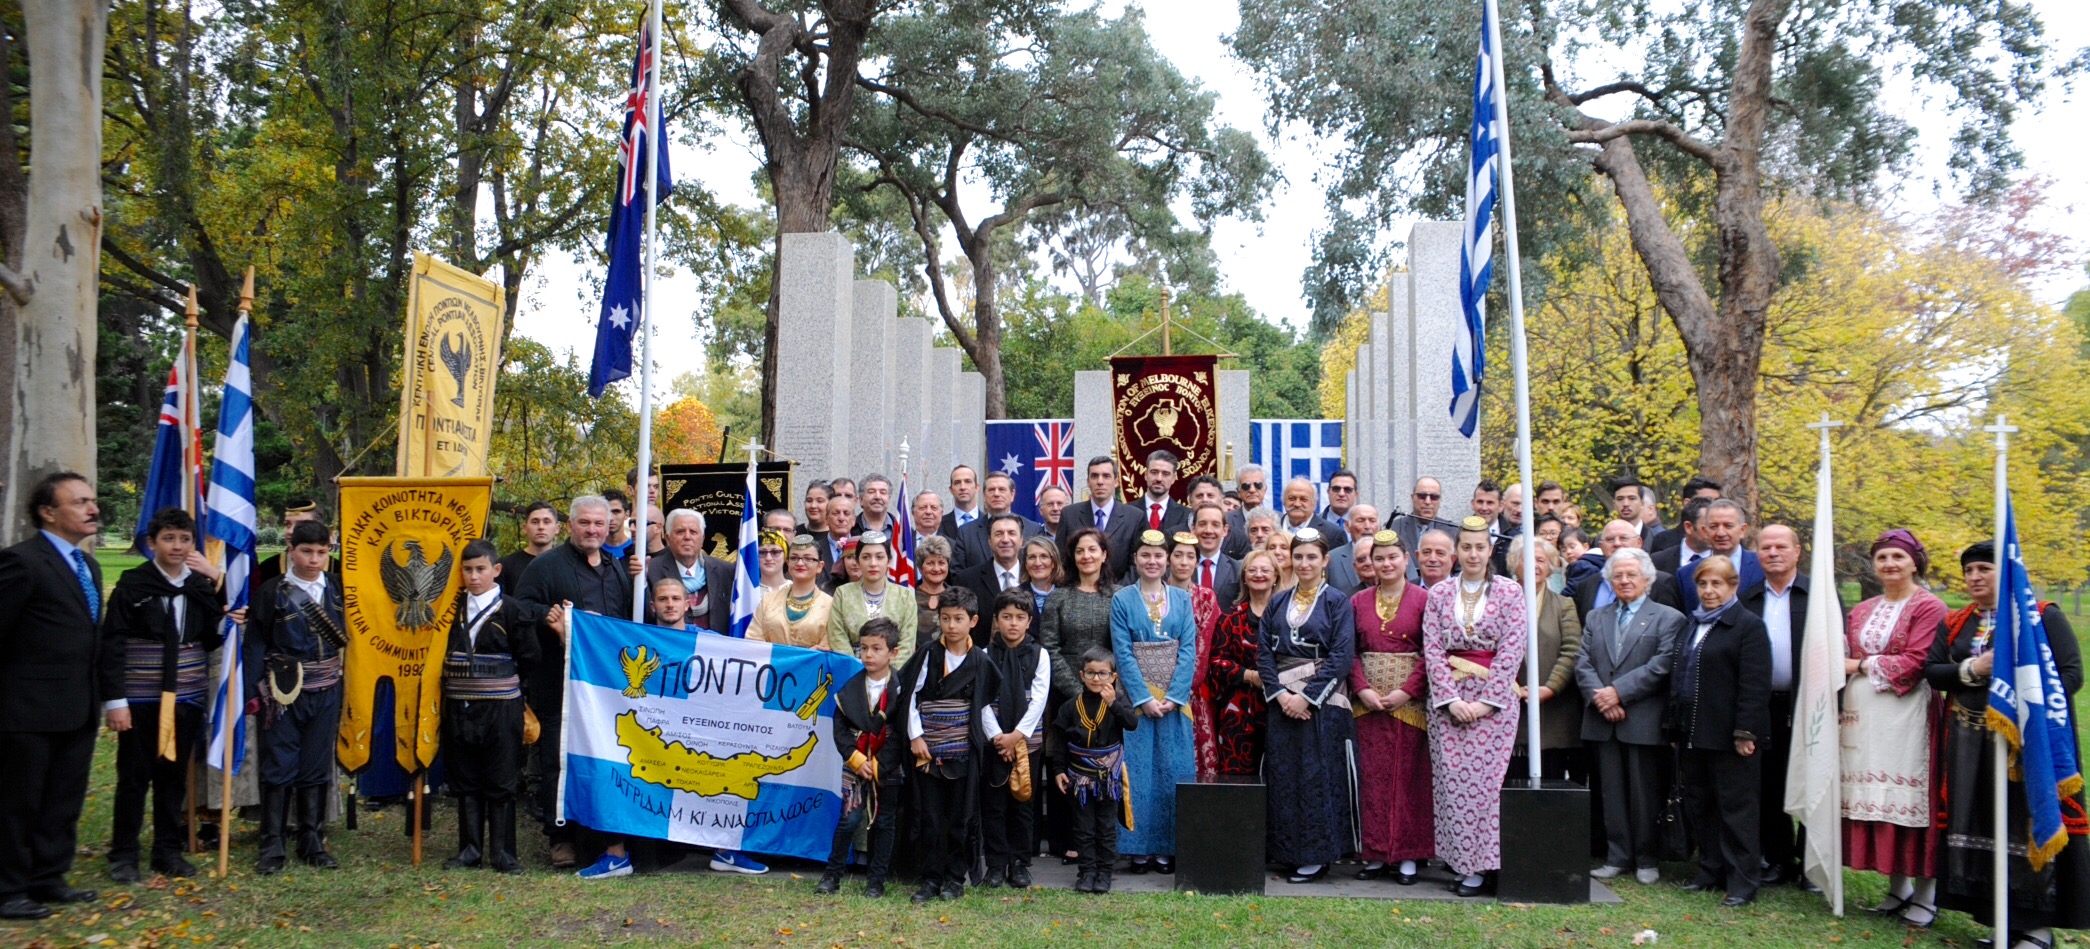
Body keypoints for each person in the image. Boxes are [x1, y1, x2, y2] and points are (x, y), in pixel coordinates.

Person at [1925, 541, 2089, 948]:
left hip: (2028, 744)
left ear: (2008, 572)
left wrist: (2021, 705)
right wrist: (1973, 669)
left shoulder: (2042, 616)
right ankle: (2002, 920)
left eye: (1985, 568)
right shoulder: (1956, 622)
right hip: (1970, 745)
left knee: (2026, 823)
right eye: (1969, 571)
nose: (1975, 577)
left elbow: (2070, 675)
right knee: (1984, 822)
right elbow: (1934, 671)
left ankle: (2036, 929)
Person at [0, 473, 111, 919]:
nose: (93, 509)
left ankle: (49, 878)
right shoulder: (21, 563)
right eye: (80, 502)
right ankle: (8, 889)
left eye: (93, 500)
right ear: (48, 512)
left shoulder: (89, 566)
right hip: (25, 711)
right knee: (17, 803)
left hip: (78, 706)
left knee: (63, 800)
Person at [99, 507, 229, 883]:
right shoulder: (133, 586)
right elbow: (112, 644)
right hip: (141, 698)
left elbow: (210, 637)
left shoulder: (199, 587)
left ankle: (167, 851)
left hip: (186, 697)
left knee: (173, 777)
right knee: (134, 777)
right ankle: (123, 854)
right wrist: (116, 701)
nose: (177, 546)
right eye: (168, 538)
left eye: (184, 539)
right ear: (152, 542)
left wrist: (223, 604)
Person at [513, 495, 631, 869]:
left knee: (602, 758)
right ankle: (559, 837)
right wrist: (548, 616)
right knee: (557, 760)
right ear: (570, 526)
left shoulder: (615, 568)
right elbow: (519, 607)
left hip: (606, 689)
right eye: (585, 523)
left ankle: (599, 833)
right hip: (558, 683)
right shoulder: (547, 567)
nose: (594, 530)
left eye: (600, 523)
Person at [1841, 529, 1948, 927]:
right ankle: (1897, 888)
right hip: (1864, 716)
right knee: (1877, 800)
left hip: (1907, 713)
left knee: (1909, 802)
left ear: (1915, 562)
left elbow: (1917, 661)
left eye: (1898, 558)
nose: (1889, 564)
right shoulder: (1864, 608)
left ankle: (1925, 895)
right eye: (1882, 557)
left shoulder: (1929, 606)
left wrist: (1861, 666)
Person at [1421, 516, 1528, 897]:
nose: (1472, 554)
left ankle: (1491, 864)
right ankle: (1465, 865)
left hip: (1494, 705)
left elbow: (1513, 648)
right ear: (1456, 552)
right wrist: (1450, 699)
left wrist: (1487, 702)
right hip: (1449, 704)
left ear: (1489, 550)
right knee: (1452, 786)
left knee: (1487, 787)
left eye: (1479, 547)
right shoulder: (1438, 594)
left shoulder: (1510, 592)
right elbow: (1432, 650)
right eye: (1465, 547)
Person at [1258, 526, 1359, 885]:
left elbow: (1342, 656)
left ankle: (1316, 855)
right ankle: (1287, 851)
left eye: (1311, 556)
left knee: (1317, 777)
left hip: (1323, 704)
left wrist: (1307, 697)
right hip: (1283, 703)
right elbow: (1264, 655)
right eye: (1298, 556)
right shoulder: (1277, 601)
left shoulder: (1337, 602)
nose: (1304, 563)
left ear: (1325, 561)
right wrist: (1283, 696)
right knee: (1285, 777)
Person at [1668, 554, 1772, 907]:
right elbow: (1679, 678)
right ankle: (1710, 871)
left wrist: (1746, 732)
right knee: (1702, 805)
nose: (1709, 591)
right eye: (1703, 583)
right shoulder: (1692, 624)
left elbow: (1755, 685)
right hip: (1694, 733)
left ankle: (1742, 882)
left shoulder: (1748, 626)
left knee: (1736, 811)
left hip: (1730, 737)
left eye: (1717, 584)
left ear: (1733, 586)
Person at [1575, 546, 1683, 885]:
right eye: (1617, 575)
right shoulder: (1596, 617)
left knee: (1644, 793)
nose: (1624, 580)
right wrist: (1602, 699)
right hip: (1602, 719)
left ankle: (1647, 859)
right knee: (1610, 792)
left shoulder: (1669, 618)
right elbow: (1582, 663)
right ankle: (1617, 856)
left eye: (1631, 574)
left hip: (1643, 720)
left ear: (1647, 579)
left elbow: (1662, 664)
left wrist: (1618, 692)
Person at [246, 518, 347, 875]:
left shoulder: (338, 588)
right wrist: (251, 691)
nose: (314, 559)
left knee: (316, 766)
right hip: (282, 691)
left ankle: (312, 840)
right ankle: (272, 844)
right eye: (307, 551)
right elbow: (255, 642)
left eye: (322, 551)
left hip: (327, 688)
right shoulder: (272, 592)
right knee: (279, 765)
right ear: (291, 550)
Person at [439, 540, 543, 875]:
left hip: (501, 708)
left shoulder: (512, 610)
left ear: (496, 570)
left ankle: (503, 853)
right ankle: (469, 850)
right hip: (459, 707)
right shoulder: (449, 610)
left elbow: (530, 658)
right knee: (466, 778)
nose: (473, 576)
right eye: (467, 570)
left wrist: (508, 688)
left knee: (501, 779)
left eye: (480, 569)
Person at [1737, 523, 1825, 891]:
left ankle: (1812, 863)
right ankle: (1778, 858)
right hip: (1764, 707)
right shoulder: (1748, 597)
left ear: (1797, 551)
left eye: (1780, 547)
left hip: (1808, 705)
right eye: (1766, 547)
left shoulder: (1817, 594)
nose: (1773, 553)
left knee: (1812, 781)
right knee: (1769, 785)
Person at [1110, 529, 1198, 875]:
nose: (1152, 561)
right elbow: (1122, 651)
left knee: (1173, 771)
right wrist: (1144, 698)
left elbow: (1188, 649)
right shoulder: (1122, 600)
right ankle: (1138, 847)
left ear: (1168, 560)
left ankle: (1168, 847)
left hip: (1175, 702)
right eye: (1145, 555)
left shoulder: (1181, 598)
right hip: (1137, 701)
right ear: (1136, 559)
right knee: (1139, 772)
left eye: (1159, 556)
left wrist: (1174, 697)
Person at [1348, 531, 1432, 884]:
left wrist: (1406, 690)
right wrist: (1362, 688)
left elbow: (1433, 653)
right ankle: (1375, 853)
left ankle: (1408, 855)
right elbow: (1348, 651)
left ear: (1406, 559)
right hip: (1367, 705)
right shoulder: (1357, 602)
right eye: (1378, 558)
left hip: (1409, 704)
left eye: (1392, 557)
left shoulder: (1425, 599)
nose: (1385, 564)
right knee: (1373, 780)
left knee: (1408, 778)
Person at [907, 586, 999, 902]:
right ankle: (930, 879)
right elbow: (909, 699)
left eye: (958, 619)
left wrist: (997, 737)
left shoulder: (981, 660)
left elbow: (984, 706)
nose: (951, 626)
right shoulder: (927, 654)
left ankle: (955, 879)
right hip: (928, 751)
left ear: (973, 621)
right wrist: (915, 736)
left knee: (962, 817)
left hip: (964, 750)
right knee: (930, 817)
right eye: (945, 618)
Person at [819, 618, 907, 898]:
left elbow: (904, 729)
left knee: (885, 822)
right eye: (864, 648)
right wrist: (856, 758)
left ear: (893, 653)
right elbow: (840, 728)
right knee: (848, 820)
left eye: (876, 649)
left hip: (888, 765)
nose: (868, 655)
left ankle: (876, 880)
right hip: (856, 763)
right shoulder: (849, 689)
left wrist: (881, 763)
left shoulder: (901, 689)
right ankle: (832, 876)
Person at [981, 589, 1051, 889]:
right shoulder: (984, 654)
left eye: (1020, 617)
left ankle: (1020, 863)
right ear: (996, 621)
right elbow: (980, 700)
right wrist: (998, 737)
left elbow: (1039, 699)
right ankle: (996, 864)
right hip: (994, 739)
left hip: (1026, 741)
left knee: (1023, 802)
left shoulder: (1040, 654)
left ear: (1029, 621)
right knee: (994, 803)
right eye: (1006, 617)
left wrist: (1016, 737)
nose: (1013, 623)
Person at [1054, 647, 1139, 894]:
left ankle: (1104, 873)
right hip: (1079, 777)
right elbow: (1060, 740)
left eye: (1103, 674)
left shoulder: (1118, 702)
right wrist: (1059, 770)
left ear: (1113, 677)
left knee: (1105, 826)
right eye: (1090, 673)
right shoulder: (1071, 706)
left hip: (1108, 779)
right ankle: (1086, 872)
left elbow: (1132, 724)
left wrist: (1113, 703)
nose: (1096, 679)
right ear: (1081, 675)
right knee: (1083, 827)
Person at [1509, 536, 1584, 783]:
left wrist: (1550, 688)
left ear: (1550, 566)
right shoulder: (1500, 604)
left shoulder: (1564, 605)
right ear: (1514, 564)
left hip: (1554, 713)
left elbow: (1572, 650)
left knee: (1551, 787)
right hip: (1512, 710)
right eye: (1527, 559)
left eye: (1540, 560)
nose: (1534, 566)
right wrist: (1512, 688)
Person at [1202, 548, 1275, 777]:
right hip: (1237, 713)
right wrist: (1251, 677)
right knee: (1237, 780)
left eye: (1265, 570)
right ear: (1244, 577)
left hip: (1279, 709)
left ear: (1276, 576)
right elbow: (1216, 661)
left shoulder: (1287, 617)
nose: (1258, 574)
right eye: (1252, 570)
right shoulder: (1230, 618)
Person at [1165, 531, 1224, 775]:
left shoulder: (1206, 597)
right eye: (1178, 555)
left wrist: (1183, 687)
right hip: (1158, 685)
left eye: (1190, 556)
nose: (1184, 562)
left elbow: (1203, 647)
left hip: (1194, 689)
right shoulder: (1156, 595)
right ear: (1168, 559)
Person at [828, 531, 919, 668]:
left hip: (892, 677)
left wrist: (887, 675)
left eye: (879, 557)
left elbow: (907, 643)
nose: (873, 563)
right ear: (858, 561)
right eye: (866, 557)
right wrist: (856, 671)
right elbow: (837, 638)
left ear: (888, 561)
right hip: (852, 674)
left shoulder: (904, 596)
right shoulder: (843, 593)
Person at [1573, 519, 1684, 625]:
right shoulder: (1586, 586)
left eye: (1623, 538)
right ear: (1601, 547)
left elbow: (1669, 626)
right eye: (1610, 539)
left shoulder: (1661, 583)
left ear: (1639, 542)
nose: (1617, 543)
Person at [644, 509, 734, 632]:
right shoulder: (651, 570)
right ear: (668, 538)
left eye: (693, 532)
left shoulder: (725, 570)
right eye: (680, 532)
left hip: (715, 647)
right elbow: (645, 615)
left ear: (702, 539)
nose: (687, 537)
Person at [1062, 456, 1140, 581]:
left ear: (1116, 482)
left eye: (1106, 476)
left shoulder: (1134, 517)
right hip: (1077, 592)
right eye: (1094, 476)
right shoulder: (1069, 514)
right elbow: (1062, 559)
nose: (1100, 481)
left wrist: (1118, 592)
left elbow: (1136, 564)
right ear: (1088, 481)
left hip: (1119, 593)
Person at [1673, 499, 1761, 610]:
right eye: (1714, 526)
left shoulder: (1762, 567)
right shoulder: (1686, 574)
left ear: (1742, 530)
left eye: (1728, 526)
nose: (1720, 533)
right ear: (1705, 531)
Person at [751, 534, 834, 649]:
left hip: (812, 666)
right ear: (788, 563)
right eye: (794, 558)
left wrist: (806, 658)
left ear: (820, 566)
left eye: (808, 559)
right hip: (770, 665)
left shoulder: (830, 605)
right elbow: (753, 639)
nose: (800, 563)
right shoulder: (768, 600)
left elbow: (829, 645)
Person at [958, 514, 1029, 646]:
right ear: (989, 541)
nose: (1005, 539)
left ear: (1021, 540)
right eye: (999, 534)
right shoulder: (967, 579)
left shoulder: (1033, 576)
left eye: (1011, 533)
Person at [253, 499, 333, 587]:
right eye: (288, 524)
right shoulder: (268, 568)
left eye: (301, 525)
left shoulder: (337, 568)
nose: (290, 531)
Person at [498, 502, 562, 596]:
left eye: (546, 522)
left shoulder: (567, 565)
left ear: (557, 528)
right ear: (525, 528)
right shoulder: (506, 566)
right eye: (535, 522)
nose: (541, 527)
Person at [1649, 477, 1721, 554]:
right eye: (1706, 501)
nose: (1714, 507)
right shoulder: (1663, 541)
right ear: (1687, 503)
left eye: (1717, 502)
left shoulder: (1724, 539)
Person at [1187, 504, 1240, 607]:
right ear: (1193, 529)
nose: (1208, 530)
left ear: (1224, 530)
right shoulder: (1178, 567)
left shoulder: (1237, 570)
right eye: (1202, 524)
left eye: (1215, 525)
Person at [912, 535, 957, 653]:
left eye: (941, 563)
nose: (936, 569)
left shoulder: (957, 597)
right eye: (930, 563)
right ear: (920, 567)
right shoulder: (909, 596)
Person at [1135, 451, 1192, 535]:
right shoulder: (1127, 512)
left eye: (1165, 474)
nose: (1159, 478)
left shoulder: (1187, 516)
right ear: (1146, 474)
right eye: (1154, 472)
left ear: (1173, 478)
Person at [1021, 536, 1062, 619]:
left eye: (1044, 556)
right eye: (1032, 557)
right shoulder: (1016, 596)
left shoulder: (1068, 594)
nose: (1037, 563)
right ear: (1025, 564)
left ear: (1053, 562)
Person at [1609, 480, 1659, 548]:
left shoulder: (1658, 538)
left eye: (1632, 498)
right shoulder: (1603, 539)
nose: (1625, 504)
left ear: (1642, 503)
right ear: (1614, 504)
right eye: (1620, 499)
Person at [939, 465, 984, 537]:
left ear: (977, 487)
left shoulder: (990, 523)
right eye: (957, 482)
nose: (963, 487)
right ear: (951, 490)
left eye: (967, 481)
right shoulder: (939, 524)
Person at [601, 489, 635, 560]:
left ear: (626, 514)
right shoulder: (593, 550)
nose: (610, 518)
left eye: (616, 512)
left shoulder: (636, 549)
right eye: (606, 512)